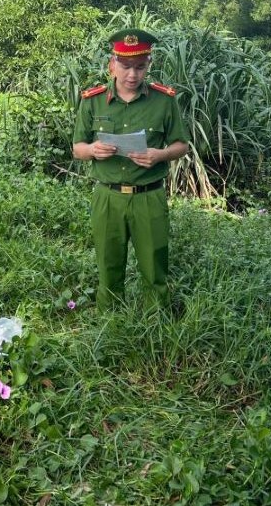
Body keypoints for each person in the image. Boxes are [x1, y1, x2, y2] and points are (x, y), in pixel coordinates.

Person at [72, 29, 188, 309]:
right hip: (107, 197)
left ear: (149, 64)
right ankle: (110, 320)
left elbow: (181, 145)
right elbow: (77, 148)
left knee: (154, 265)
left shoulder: (164, 100)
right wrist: (93, 150)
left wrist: (160, 155)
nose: (132, 75)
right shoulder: (93, 100)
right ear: (112, 64)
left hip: (149, 196)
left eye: (140, 67)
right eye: (125, 66)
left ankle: (156, 321)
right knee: (108, 265)